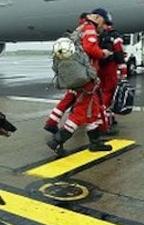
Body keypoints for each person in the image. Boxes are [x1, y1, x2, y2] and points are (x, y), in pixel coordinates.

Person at [47, 10, 113, 156]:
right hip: (86, 79)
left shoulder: (81, 29)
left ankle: (95, 142)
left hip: (83, 77)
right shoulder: (90, 29)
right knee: (81, 113)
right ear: (98, 18)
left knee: (93, 110)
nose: (106, 27)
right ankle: (57, 141)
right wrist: (104, 53)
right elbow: (90, 49)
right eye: (105, 23)